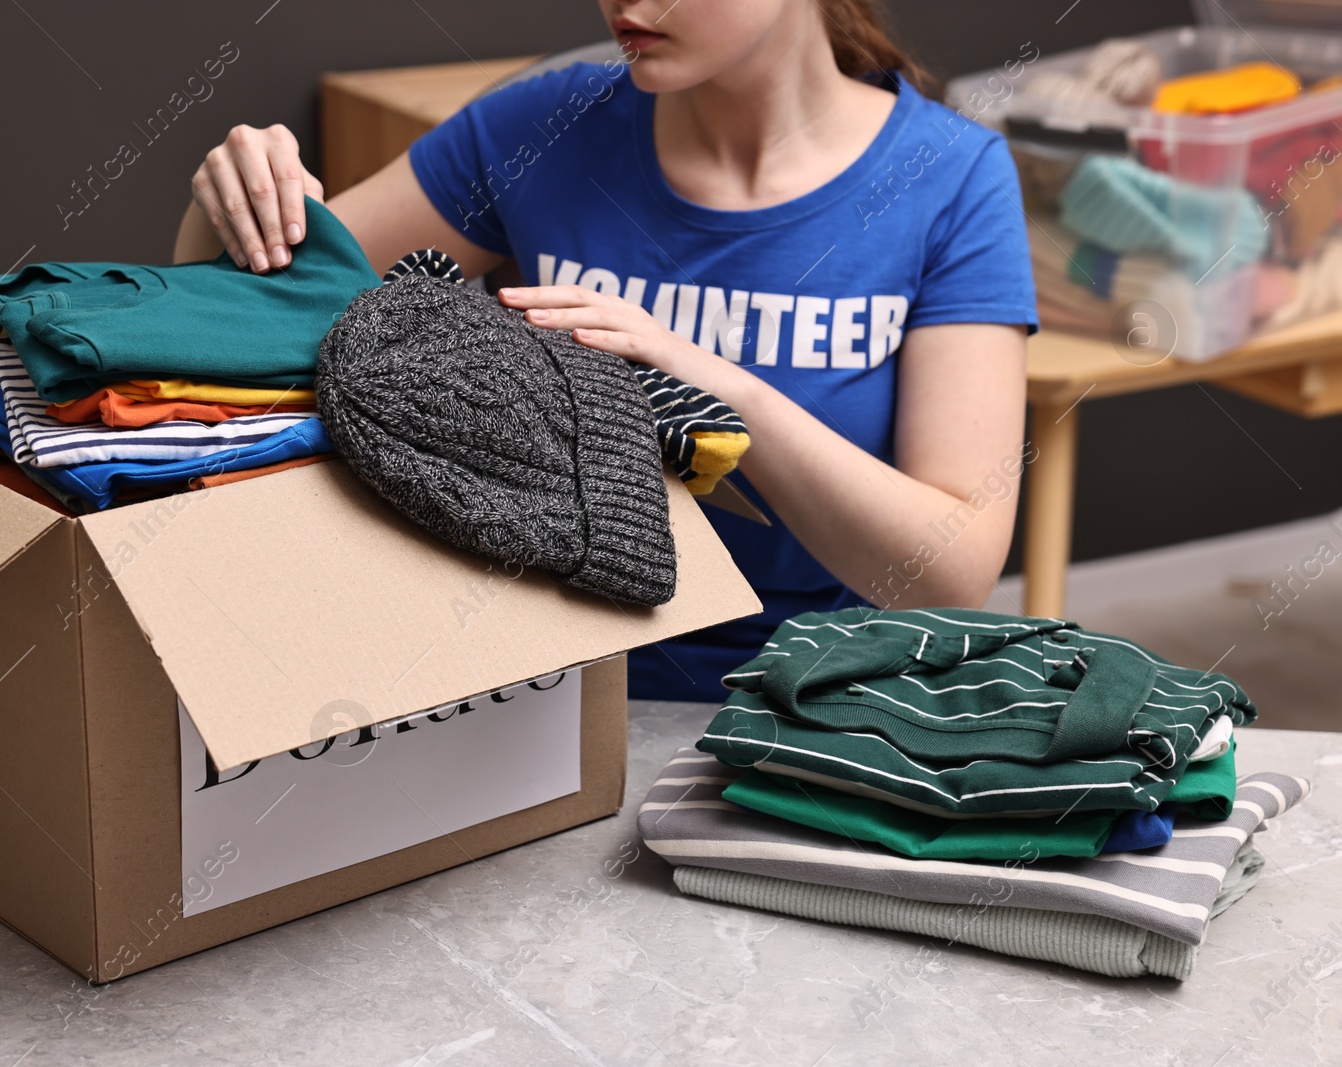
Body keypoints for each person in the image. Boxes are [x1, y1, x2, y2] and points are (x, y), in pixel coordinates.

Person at [174, 0, 1038, 702]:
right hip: (544, 687)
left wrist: (714, 384)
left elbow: (949, 574)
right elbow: (236, 328)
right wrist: (234, 203)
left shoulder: (952, 177)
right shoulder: (545, 124)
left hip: (815, 702)